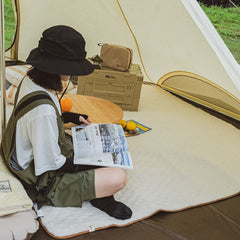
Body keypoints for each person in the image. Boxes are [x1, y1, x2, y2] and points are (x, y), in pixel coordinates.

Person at [0, 25, 132, 220]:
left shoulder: (31, 79)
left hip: (40, 154)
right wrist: (88, 163)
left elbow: (45, 117)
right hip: (41, 178)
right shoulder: (42, 112)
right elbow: (51, 163)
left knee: (104, 153)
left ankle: (96, 185)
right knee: (117, 177)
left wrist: (71, 117)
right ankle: (98, 195)